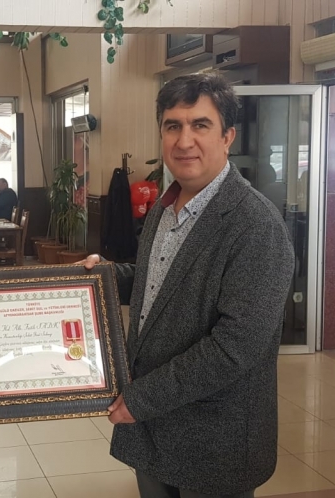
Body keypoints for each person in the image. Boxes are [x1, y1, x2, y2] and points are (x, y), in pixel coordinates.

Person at [83, 72, 295, 498]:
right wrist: (102, 276)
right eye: (172, 126)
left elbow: (235, 347)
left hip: (213, 438)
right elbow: (160, 284)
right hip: (154, 430)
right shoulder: (166, 207)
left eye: (200, 125)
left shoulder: (255, 225)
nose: (184, 141)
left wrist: (142, 399)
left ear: (227, 136)